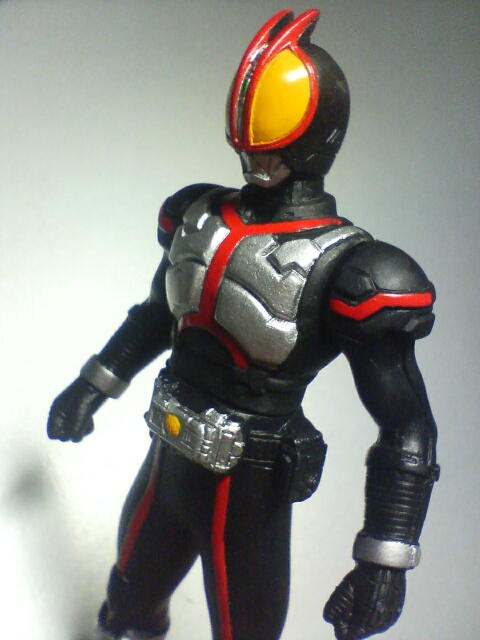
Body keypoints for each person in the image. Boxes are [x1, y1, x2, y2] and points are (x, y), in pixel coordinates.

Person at [48, 9, 439, 640]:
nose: (257, 156)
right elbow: (157, 316)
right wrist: (93, 384)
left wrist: (385, 560)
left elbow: (406, 425)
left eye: (273, 142)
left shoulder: (354, 269)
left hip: (250, 487)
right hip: (168, 455)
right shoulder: (199, 216)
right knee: (126, 607)